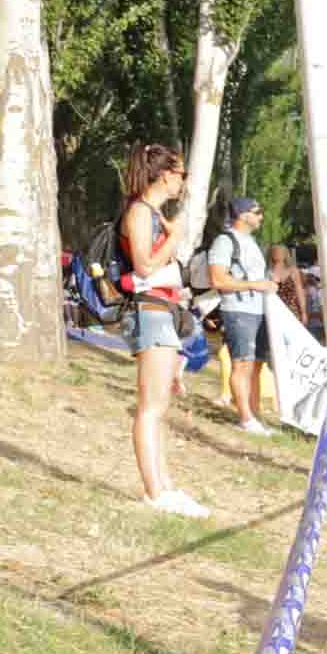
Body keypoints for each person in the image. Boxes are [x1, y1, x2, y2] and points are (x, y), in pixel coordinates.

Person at [119, 144, 207, 518]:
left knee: (160, 404)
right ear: (165, 174)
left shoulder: (152, 213)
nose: (182, 182)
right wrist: (173, 240)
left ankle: (164, 484)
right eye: (181, 174)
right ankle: (155, 490)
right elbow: (142, 265)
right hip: (150, 309)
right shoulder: (140, 212)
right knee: (151, 406)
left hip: (163, 309)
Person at [201, 193, 274, 435]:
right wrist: (255, 285)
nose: (261, 216)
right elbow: (218, 278)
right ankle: (244, 418)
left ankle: (254, 416)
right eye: (257, 211)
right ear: (243, 215)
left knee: (255, 365)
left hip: (257, 310)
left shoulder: (252, 242)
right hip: (238, 310)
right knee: (241, 364)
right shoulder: (225, 241)